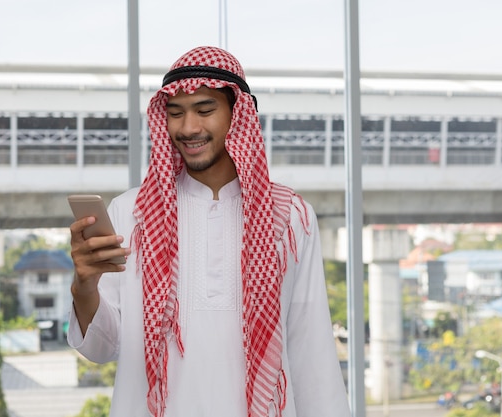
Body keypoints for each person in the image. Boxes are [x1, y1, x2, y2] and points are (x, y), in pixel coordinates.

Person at [67, 46, 351, 417]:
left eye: (205, 110)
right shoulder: (131, 211)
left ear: (238, 114)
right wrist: (84, 286)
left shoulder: (290, 215)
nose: (188, 128)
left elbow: (310, 347)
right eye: (175, 113)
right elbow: (103, 348)